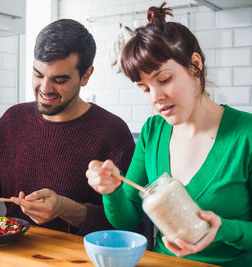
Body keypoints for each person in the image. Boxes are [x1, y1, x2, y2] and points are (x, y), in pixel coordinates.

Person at [0, 19, 136, 236]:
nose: (45, 89)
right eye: (38, 74)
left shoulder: (113, 133)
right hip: (13, 253)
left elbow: (131, 227)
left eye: (59, 80)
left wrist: (67, 209)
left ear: (86, 75)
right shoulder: (13, 120)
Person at [86, 2, 252, 266]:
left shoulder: (246, 135)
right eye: (145, 88)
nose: (156, 98)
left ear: (194, 65)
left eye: (164, 80)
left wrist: (225, 229)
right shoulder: (153, 132)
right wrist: (111, 190)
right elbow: (128, 218)